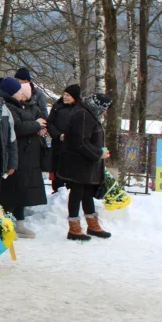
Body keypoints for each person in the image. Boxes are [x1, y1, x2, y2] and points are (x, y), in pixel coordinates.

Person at [58, 93, 113, 241]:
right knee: (77, 192)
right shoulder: (83, 114)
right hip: (78, 162)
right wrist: (98, 154)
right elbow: (81, 142)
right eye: (104, 109)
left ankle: (92, 225)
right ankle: (74, 228)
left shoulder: (87, 112)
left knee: (87, 191)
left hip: (85, 162)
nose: (105, 112)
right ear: (98, 107)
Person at [0, 78, 47, 238]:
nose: (22, 93)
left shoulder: (22, 105)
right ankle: (5, 224)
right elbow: (19, 127)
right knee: (11, 190)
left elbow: (40, 118)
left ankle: (19, 223)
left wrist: (38, 125)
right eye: (18, 90)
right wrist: (36, 125)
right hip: (15, 152)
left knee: (21, 190)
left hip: (27, 155)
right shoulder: (7, 106)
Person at [47, 84, 82, 193]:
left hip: (73, 147)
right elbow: (49, 123)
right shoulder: (57, 106)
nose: (65, 97)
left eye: (68, 95)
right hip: (58, 144)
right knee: (57, 169)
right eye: (64, 94)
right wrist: (58, 135)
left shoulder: (80, 108)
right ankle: (57, 191)